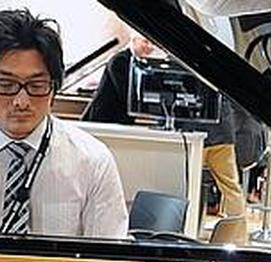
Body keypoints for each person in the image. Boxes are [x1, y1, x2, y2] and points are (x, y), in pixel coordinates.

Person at [0, 9, 128, 237]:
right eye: (6, 85)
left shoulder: (93, 161)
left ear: (54, 87)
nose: (21, 101)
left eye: (36, 86)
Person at [82, 34, 246, 221]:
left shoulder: (175, 67)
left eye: (152, 42)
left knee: (193, 183)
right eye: (146, 42)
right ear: (133, 39)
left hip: (208, 137)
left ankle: (214, 225)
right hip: (104, 124)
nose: (150, 47)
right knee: (219, 185)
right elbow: (134, 98)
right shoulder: (121, 61)